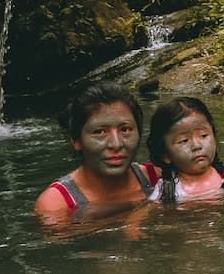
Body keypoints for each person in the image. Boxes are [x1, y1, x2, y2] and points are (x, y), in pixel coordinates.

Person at [35, 82, 159, 219]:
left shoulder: (157, 177)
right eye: (100, 132)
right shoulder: (55, 204)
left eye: (125, 129)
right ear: (76, 141)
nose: (116, 144)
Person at [146, 97, 224, 202]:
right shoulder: (167, 191)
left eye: (203, 135)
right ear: (165, 155)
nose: (196, 145)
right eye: (184, 140)